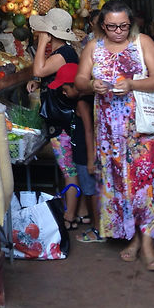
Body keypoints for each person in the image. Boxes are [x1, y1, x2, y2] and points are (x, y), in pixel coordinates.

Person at [74, 0, 154, 271]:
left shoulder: (143, 43)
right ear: (102, 26)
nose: (118, 31)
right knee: (122, 185)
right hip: (109, 134)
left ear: (131, 24)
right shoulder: (94, 47)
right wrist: (92, 84)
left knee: (146, 185)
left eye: (123, 26)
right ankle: (134, 239)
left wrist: (132, 84)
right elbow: (79, 81)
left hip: (143, 129)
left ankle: (148, 244)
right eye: (112, 26)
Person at [26, 8, 84, 229]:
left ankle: (69, 217)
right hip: (64, 121)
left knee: (68, 170)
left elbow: (39, 69)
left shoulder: (62, 55)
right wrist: (39, 85)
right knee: (69, 169)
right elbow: (53, 79)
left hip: (62, 125)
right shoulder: (65, 53)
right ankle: (81, 212)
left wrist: (42, 42)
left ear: (51, 32)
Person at [48, 62, 100, 241]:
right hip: (82, 154)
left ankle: (97, 228)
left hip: (85, 156)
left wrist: (91, 159)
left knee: (91, 191)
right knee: (88, 190)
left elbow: (89, 131)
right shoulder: (84, 100)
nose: (63, 92)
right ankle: (91, 221)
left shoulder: (82, 104)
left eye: (65, 88)